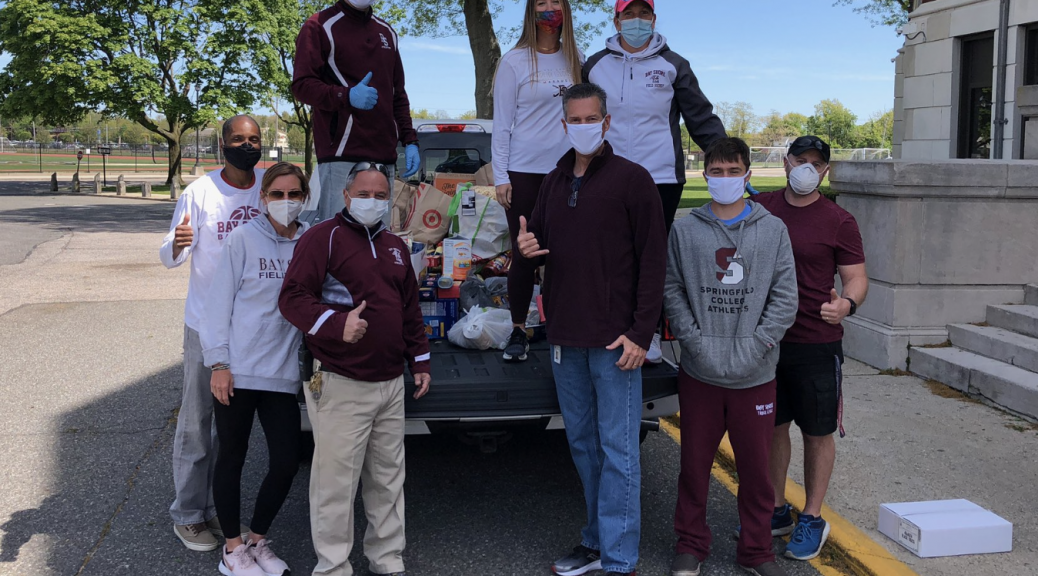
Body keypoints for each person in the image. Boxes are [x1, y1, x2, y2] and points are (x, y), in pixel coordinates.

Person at [517, 82, 666, 576]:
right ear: (564, 124)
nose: (583, 127)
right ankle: (597, 540)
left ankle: (619, 559)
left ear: (606, 122)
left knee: (618, 449)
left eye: (591, 119)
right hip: (566, 338)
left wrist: (641, 332)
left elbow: (653, 262)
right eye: (574, 120)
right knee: (582, 446)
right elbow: (538, 241)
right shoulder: (554, 182)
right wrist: (527, 248)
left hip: (615, 342)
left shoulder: (633, 180)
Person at [278, 163, 432, 576]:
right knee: (335, 484)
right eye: (364, 194)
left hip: (390, 383)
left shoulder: (395, 245)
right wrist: (335, 323)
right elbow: (292, 297)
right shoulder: (322, 237)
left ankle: (387, 559)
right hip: (340, 380)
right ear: (346, 196)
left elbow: (409, 309)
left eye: (381, 196)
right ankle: (333, 566)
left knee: (388, 479)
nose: (372, 201)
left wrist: (419, 359)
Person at [663, 137, 798, 576]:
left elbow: (785, 299)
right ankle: (691, 544)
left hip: (755, 375)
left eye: (733, 171)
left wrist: (756, 347)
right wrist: (695, 342)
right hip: (700, 372)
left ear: (747, 175)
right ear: (705, 175)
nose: (724, 179)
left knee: (756, 472)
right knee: (694, 467)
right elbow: (672, 290)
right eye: (716, 172)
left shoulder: (772, 230)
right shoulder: (685, 230)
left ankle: (756, 551)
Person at [583, 0, 727, 364]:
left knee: (651, 258)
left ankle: (648, 332)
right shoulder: (594, 65)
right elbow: (581, 118)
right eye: (628, 14)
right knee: (608, 254)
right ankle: (608, 323)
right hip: (606, 174)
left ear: (653, 19)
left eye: (643, 14)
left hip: (660, 176)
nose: (637, 21)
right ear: (617, 20)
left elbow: (700, 117)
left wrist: (726, 158)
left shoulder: (674, 64)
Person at [754, 136, 868, 562]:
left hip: (816, 341)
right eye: (800, 159)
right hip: (767, 340)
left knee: (817, 432)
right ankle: (775, 509)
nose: (807, 168)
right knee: (772, 427)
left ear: (825, 171)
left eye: (816, 163)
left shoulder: (838, 220)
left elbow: (856, 277)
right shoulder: (761, 207)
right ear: (786, 163)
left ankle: (813, 517)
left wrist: (847, 303)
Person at [198, 162, 311, 576]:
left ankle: (257, 539)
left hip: (281, 372)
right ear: (263, 198)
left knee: (286, 461)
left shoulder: (310, 243)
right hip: (237, 371)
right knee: (233, 457)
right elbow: (217, 306)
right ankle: (232, 549)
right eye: (277, 194)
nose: (286, 201)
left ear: (305, 198)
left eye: (294, 194)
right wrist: (219, 363)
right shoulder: (243, 239)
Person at [160, 115, 265, 552]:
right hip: (206, 326)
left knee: (231, 428)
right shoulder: (200, 192)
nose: (247, 146)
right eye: (238, 139)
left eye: (254, 139)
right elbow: (170, 254)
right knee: (197, 423)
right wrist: (178, 243)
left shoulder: (268, 188)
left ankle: (217, 506)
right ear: (223, 145)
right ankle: (188, 513)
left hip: (252, 329)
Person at [492, 0, 584, 363]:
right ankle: (518, 329)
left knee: (566, 253)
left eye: (555, 1)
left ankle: (562, 325)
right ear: (531, 11)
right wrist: (501, 176)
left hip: (567, 170)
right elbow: (502, 124)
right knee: (525, 252)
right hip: (523, 172)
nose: (549, 9)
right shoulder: (514, 61)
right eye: (541, 2)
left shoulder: (576, 60)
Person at [292, 0, 420, 223]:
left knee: (378, 238)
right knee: (340, 235)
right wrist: (346, 95)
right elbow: (302, 85)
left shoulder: (387, 32)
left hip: (384, 157)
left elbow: (398, 94)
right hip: (342, 155)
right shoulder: (319, 25)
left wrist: (410, 140)